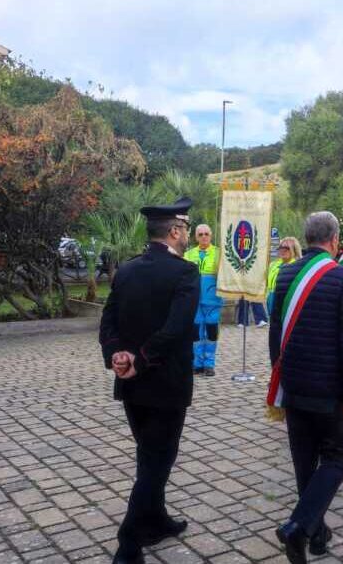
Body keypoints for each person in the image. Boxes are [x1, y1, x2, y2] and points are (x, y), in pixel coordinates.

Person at [99, 197, 200, 564]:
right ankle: (128, 542)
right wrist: (139, 360)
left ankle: (156, 519)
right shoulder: (185, 273)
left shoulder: (126, 270)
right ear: (174, 231)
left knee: (149, 454)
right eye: (185, 229)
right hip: (165, 386)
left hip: (131, 384)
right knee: (157, 462)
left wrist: (117, 355)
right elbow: (175, 329)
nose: (187, 235)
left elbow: (107, 322)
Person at [269, 212, 343, 564]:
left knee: (304, 464)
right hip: (329, 392)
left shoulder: (285, 273)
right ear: (335, 240)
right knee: (336, 459)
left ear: (306, 238)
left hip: (293, 386)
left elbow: (275, 333)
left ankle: (317, 534)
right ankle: (299, 528)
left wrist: (280, 378)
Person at [183, 223, 224, 376]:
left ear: (211, 235)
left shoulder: (219, 253)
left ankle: (209, 364)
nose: (204, 237)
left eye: (206, 234)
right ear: (196, 237)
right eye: (200, 234)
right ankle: (197, 363)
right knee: (196, 333)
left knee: (211, 332)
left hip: (213, 299)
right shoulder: (188, 254)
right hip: (194, 300)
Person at [266, 237, 302, 312]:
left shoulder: (297, 266)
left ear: (294, 250)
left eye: (286, 248)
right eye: (280, 247)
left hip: (287, 302)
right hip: (271, 301)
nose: (283, 250)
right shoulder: (273, 265)